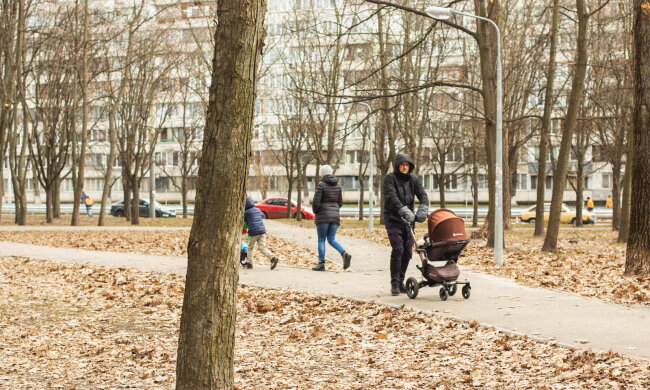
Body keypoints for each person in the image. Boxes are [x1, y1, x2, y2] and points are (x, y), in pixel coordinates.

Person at [382, 153, 429, 296]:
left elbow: (423, 195)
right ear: (397, 165)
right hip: (394, 220)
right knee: (398, 249)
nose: (404, 167)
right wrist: (402, 210)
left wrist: (423, 208)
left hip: (409, 222)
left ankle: (401, 280)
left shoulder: (413, 179)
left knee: (408, 252)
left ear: (410, 166)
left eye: (407, 165)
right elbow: (391, 197)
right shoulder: (389, 179)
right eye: (402, 164)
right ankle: (395, 283)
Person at [311, 165, 351, 271]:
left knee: (321, 240)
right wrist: (334, 210)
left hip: (323, 216)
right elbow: (340, 203)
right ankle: (344, 253)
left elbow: (316, 202)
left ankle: (321, 263)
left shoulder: (321, 185)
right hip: (335, 217)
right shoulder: (338, 186)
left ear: (322, 174)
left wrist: (317, 211)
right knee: (332, 239)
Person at [243, 196, 278, 269]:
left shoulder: (246, 213)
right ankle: (272, 258)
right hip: (262, 231)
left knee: (250, 248)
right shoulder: (258, 210)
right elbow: (262, 215)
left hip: (254, 231)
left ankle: (249, 263)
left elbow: (244, 221)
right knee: (262, 247)